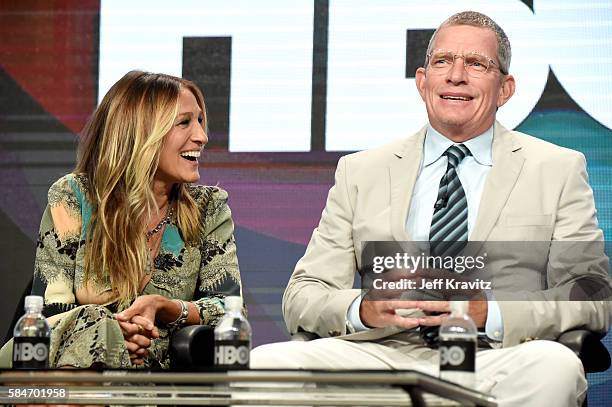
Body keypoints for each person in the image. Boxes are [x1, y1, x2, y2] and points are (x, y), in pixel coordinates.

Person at [251, 11, 611, 407]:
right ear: (423, 82)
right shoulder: (363, 170)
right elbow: (303, 294)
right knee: (262, 366)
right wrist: (364, 309)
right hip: (381, 355)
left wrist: (489, 313)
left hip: (496, 356)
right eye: (443, 62)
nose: (456, 75)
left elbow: (591, 292)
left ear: (505, 88)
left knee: (553, 368)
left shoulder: (556, 168)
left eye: (477, 64)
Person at [0, 70, 243, 369]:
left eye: (200, 121)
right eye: (184, 123)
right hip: (69, 364)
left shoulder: (209, 208)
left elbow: (229, 310)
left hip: (155, 375)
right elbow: (49, 311)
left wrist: (167, 307)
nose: (202, 136)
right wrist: (114, 334)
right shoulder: (73, 197)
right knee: (93, 328)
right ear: (141, 132)